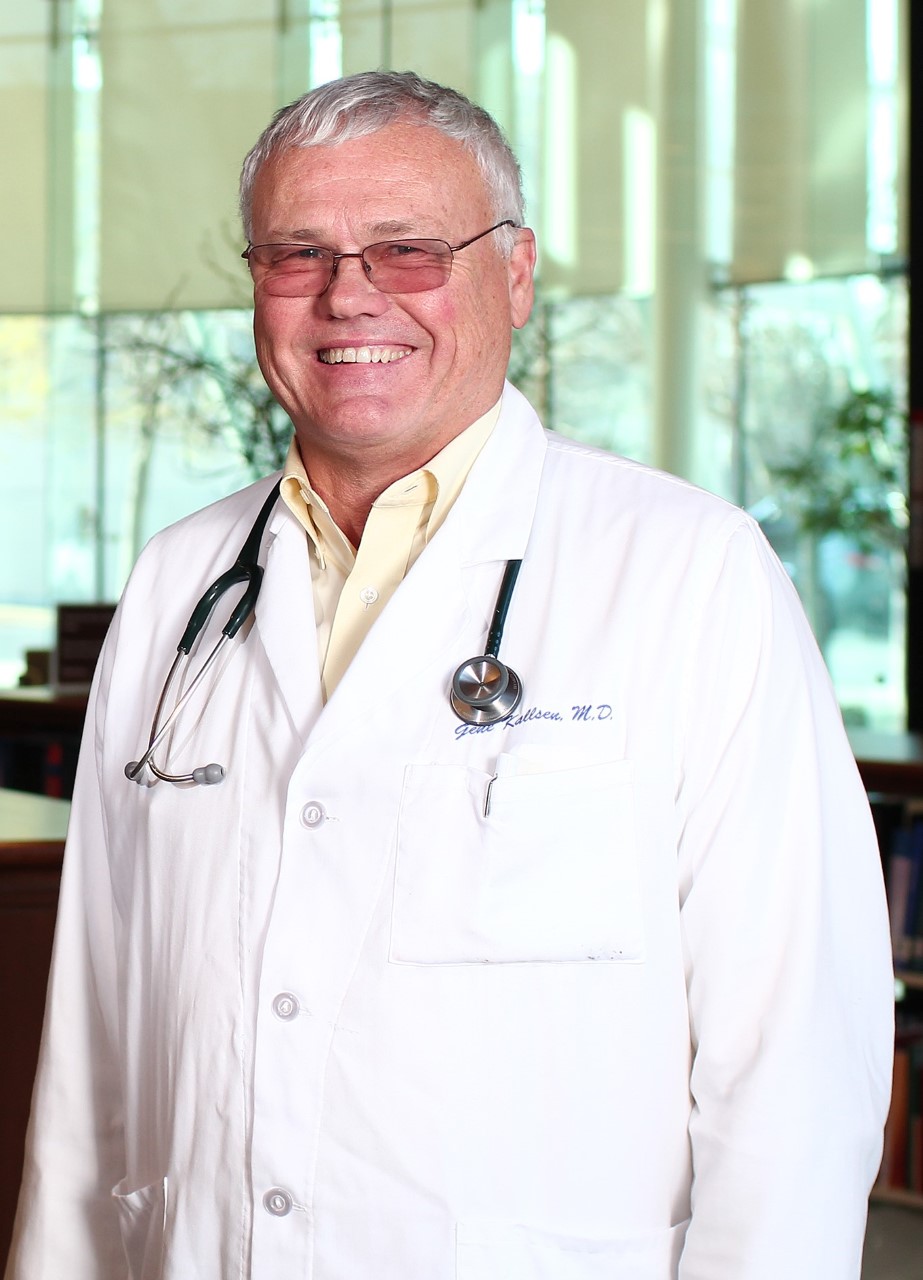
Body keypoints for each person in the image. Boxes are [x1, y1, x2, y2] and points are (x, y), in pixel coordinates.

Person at [6, 70, 893, 1280]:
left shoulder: (692, 572)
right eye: (295, 253)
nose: (346, 295)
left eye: (408, 248)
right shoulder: (178, 587)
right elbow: (93, 1049)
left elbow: (792, 1061)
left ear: (514, 273)